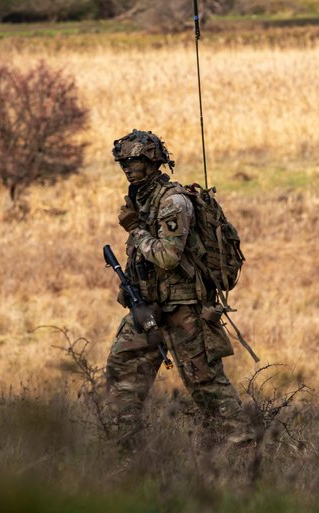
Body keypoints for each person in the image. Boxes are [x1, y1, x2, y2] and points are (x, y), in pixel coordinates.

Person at [105, 129, 250, 446]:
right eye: (123, 163)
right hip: (147, 308)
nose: (127, 167)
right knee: (122, 377)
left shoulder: (174, 202)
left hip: (184, 312)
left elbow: (168, 257)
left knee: (207, 387)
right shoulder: (141, 200)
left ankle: (243, 452)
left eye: (133, 161)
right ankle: (126, 454)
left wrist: (134, 229)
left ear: (151, 161)